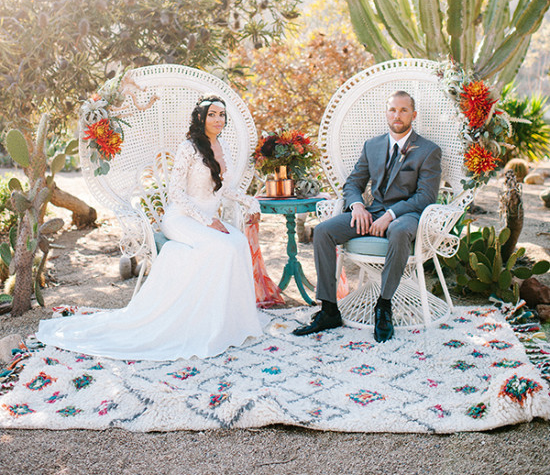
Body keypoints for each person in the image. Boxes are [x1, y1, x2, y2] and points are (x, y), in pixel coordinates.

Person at [37, 95, 265, 360]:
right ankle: (200, 322)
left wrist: (249, 201)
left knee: (237, 243)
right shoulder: (188, 148)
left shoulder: (222, 145)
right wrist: (207, 220)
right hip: (181, 218)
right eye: (212, 114)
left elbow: (222, 187)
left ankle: (228, 321)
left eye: (222, 115)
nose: (218, 120)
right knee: (223, 247)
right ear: (201, 118)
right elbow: (176, 193)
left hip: (206, 217)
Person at [293, 90, 442, 342]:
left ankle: (383, 306)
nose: (397, 115)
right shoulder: (372, 146)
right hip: (370, 213)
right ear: (386, 113)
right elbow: (353, 183)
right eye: (393, 109)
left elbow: (425, 197)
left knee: (398, 231)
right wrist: (357, 207)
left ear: (413, 115)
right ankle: (329, 309)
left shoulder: (428, 151)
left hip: (407, 216)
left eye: (403, 110)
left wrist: (392, 214)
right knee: (323, 232)